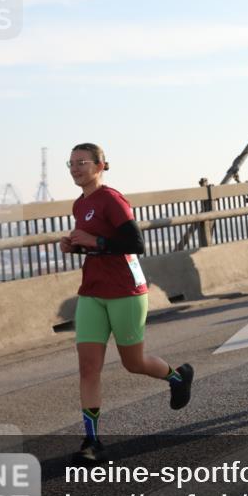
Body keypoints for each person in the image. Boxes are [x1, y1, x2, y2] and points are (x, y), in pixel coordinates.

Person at [61, 143, 194, 464]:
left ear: (101, 165)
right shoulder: (80, 205)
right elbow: (99, 248)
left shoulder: (112, 199)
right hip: (92, 292)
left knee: (133, 363)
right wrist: (76, 246)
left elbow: (135, 243)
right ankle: (91, 440)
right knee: (88, 368)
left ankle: (177, 377)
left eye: (83, 162)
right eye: (71, 163)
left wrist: (96, 241)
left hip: (125, 292)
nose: (76, 168)